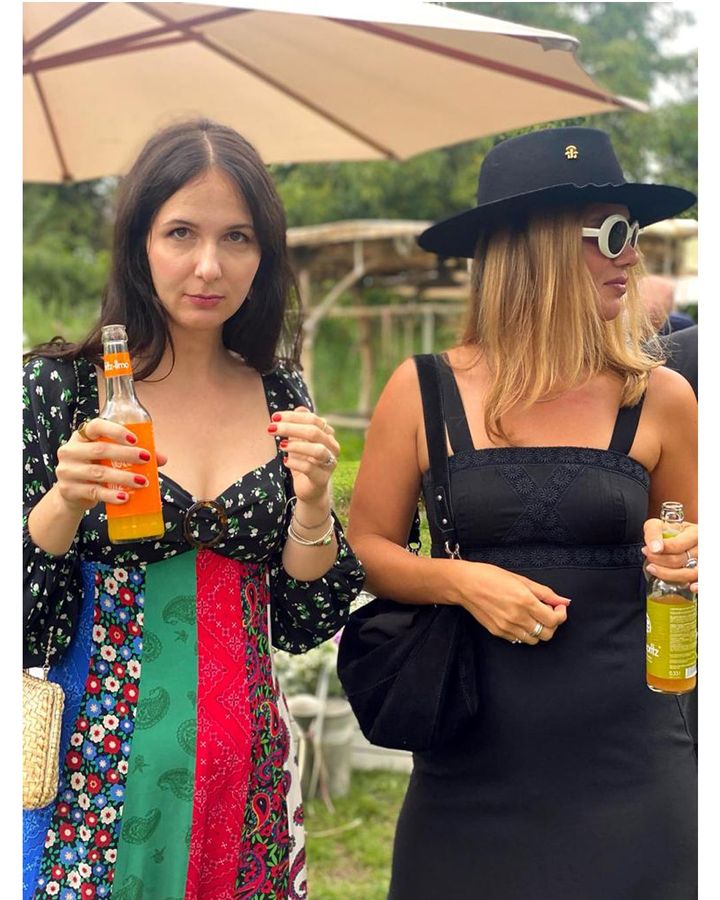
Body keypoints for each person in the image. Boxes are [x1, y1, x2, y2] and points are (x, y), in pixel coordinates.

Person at [347, 127, 698, 899]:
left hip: (634, 772)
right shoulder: (424, 389)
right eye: (612, 234)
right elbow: (365, 547)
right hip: (468, 769)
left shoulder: (662, 399)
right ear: (534, 245)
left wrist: (689, 562)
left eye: (633, 234)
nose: (632, 256)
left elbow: (693, 554)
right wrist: (462, 582)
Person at [23, 119, 365, 900]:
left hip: (247, 773)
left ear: (263, 253)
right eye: (181, 231)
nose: (209, 265)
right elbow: (25, 617)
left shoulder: (281, 390)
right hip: (98, 770)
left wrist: (313, 504)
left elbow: (302, 610)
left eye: (237, 237)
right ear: (140, 241)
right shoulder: (63, 390)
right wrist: (64, 502)